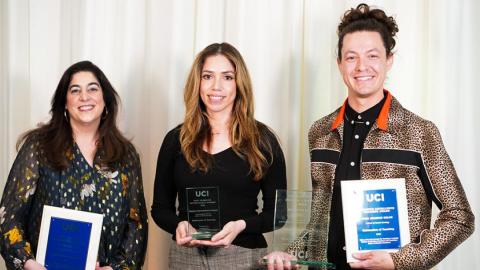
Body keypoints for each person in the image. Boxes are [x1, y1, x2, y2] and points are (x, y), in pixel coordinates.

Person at [264, 3, 474, 270]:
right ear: (339, 63)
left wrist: (399, 261)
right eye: (351, 57)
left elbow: (460, 217)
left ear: (389, 60)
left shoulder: (420, 132)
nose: (361, 66)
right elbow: (321, 224)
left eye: (372, 56)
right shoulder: (319, 132)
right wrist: (291, 253)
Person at [151, 42, 287, 270]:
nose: (216, 86)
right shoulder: (176, 139)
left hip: (244, 257)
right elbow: (159, 209)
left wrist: (241, 226)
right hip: (185, 259)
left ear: (239, 84)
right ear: (198, 83)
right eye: (207, 76)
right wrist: (180, 225)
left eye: (227, 77)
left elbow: (279, 214)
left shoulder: (262, 140)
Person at [0, 61, 148, 270]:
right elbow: (9, 217)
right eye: (75, 90)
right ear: (64, 103)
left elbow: (137, 224)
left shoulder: (126, 155)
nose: (84, 97)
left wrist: (116, 268)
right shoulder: (39, 148)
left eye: (92, 89)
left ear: (105, 99)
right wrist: (28, 263)